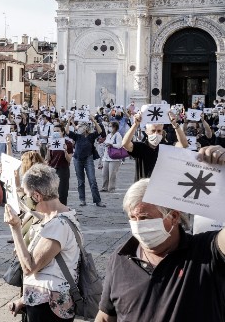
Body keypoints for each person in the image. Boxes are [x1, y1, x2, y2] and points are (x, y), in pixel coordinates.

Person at [95, 165, 225, 322]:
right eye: (132, 218)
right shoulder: (120, 258)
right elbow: (105, 316)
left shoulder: (206, 251)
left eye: (144, 218)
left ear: (174, 216)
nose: (138, 225)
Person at [5, 163, 81, 322]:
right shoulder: (59, 216)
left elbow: (29, 267)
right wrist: (24, 300)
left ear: (37, 196)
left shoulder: (58, 226)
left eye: (26, 195)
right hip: (43, 301)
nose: (25, 199)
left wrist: (15, 228)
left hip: (49, 308)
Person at [122, 111, 187, 180]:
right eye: (153, 131)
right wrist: (135, 125)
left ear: (162, 132)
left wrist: (175, 124)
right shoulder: (140, 147)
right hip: (143, 188)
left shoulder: (166, 147)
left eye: (159, 131)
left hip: (160, 188)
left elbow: (184, 144)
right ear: (146, 132)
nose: (156, 134)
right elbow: (125, 144)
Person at [65, 114, 106, 207]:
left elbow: (100, 131)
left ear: (86, 128)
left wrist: (93, 120)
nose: (79, 127)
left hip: (88, 159)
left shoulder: (91, 136)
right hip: (77, 159)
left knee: (92, 180)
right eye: (79, 126)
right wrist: (69, 121)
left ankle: (97, 201)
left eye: (81, 126)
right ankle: (82, 200)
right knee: (80, 181)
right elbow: (67, 131)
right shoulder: (77, 136)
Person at [45, 122, 73, 206]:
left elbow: (69, 160)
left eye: (58, 131)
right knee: (51, 191)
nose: (56, 133)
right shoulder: (51, 142)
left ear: (62, 132)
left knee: (62, 191)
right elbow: (48, 159)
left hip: (63, 168)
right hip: (52, 168)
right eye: (54, 131)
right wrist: (48, 149)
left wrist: (65, 150)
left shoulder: (68, 143)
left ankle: (62, 209)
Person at [100, 121, 123, 193]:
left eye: (110, 126)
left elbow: (120, 145)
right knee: (104, 173)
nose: (109, 128)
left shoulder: (118, 135)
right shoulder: (109, 135)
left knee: (112, 174)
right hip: (106, 156)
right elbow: (106, 143)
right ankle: (104, 187)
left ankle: (112, 188)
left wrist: (112, 145)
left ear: (115, 127)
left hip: (115, 158)